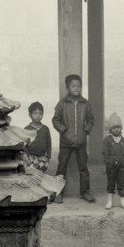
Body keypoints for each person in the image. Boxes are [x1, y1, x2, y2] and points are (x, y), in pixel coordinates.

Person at [51, 74, 96, 204]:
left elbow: (91, 120)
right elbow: (55, 120)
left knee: (83, 168)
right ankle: (58, 193)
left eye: (78, 86)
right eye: (73, 86)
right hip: (66, 142)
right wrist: (64, 131)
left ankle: (85, 192)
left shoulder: (85, 103)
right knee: (61, 168)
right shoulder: (62, 104)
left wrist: (85, 131)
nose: (76, 88)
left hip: (81, 142)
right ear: (67, 88)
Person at [101, 112, 124, 210]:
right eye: (114, 127)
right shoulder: (107, 140)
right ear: (110, 129)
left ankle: (122, 200)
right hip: (111, 166)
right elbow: (104, 152)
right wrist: (107, 162)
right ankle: (110, 200)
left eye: (118, 127)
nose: (117, 129)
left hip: (121, 166)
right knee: (111, 183)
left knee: (121, 182)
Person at [23, 101, 52, 173]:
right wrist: (27, 157)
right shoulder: (27, 129)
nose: (38, 115)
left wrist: (48, 156)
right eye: (35, 113)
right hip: (31, 157)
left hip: (43, 157)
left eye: (40, 113)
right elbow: (24, 145)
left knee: (42, 176)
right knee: (32, 177)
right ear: (30, 115)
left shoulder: (45, 128)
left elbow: (49, 142)